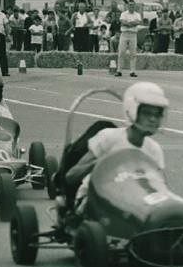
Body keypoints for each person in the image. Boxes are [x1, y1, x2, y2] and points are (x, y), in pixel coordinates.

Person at [59, 81, 168, 218]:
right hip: (96, 201)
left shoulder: (154, 149)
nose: (153, 119)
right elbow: (70, 177)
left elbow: (160, 188)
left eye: (157, 114)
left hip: (135, 205)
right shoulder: (108, 138)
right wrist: (100, 163)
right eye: (146, 113)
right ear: (132, 110)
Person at [115, 0, 143, 77]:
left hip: (133, 34)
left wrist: (128, 23)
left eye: (132, 5)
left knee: (133, 53)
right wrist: (132, 23)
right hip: (124, 33)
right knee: (121, 52)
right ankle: (119, 70)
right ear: (127, 6)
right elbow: (123, 22)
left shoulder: (137, 14)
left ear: (134, 6)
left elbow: (138, 22)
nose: (131, 6)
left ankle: (132, 71)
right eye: (130, 5)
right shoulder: (123, 14)